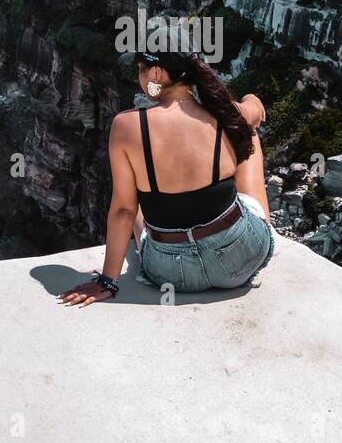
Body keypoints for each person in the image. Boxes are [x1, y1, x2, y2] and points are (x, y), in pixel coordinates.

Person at [59, 51, 274, 307]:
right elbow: (256, 111)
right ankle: (254, 224)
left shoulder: (126, 126)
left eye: (141, 69)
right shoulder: (224, 113)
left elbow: (124, 210)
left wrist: (107, 281)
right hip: (240, 260)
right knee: (247, 133)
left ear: (158, 73)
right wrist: (250, 99)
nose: (139, 77)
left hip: (173, 273)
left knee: (134, 205)